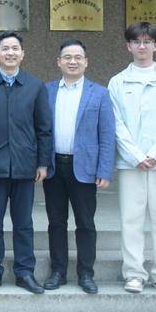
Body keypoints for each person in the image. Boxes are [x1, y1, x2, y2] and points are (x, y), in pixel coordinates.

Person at [108, 22, 156, 295]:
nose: (142, 46)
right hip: (131, 165)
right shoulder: (117, 82)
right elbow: (116, 125)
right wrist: (136, 156)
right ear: (128, 46)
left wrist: (155, 155)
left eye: (147, 42)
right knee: (131, 220)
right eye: (136, 42)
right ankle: (134, 274)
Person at [0, 31, 52, 294]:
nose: (10, 53)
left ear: (22, 54)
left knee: (24, 223)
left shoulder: (35, 86)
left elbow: (44, 129)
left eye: (15, 48)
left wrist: (42, 163)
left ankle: (25, 272)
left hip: (25, 166)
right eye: (5, 49)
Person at [42, 38, 115, 295]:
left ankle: (86, 273)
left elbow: (107, 135)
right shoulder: (47, 91)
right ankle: (58, 271)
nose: (72, 61)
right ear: (58, 62)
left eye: (77, 57)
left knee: (85, 222)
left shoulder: (100, 93)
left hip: (84, 169)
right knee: (56, 222)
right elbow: (40, 130)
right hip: (54, 166)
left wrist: (104, 170)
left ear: (86, 62)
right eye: (67, 57)